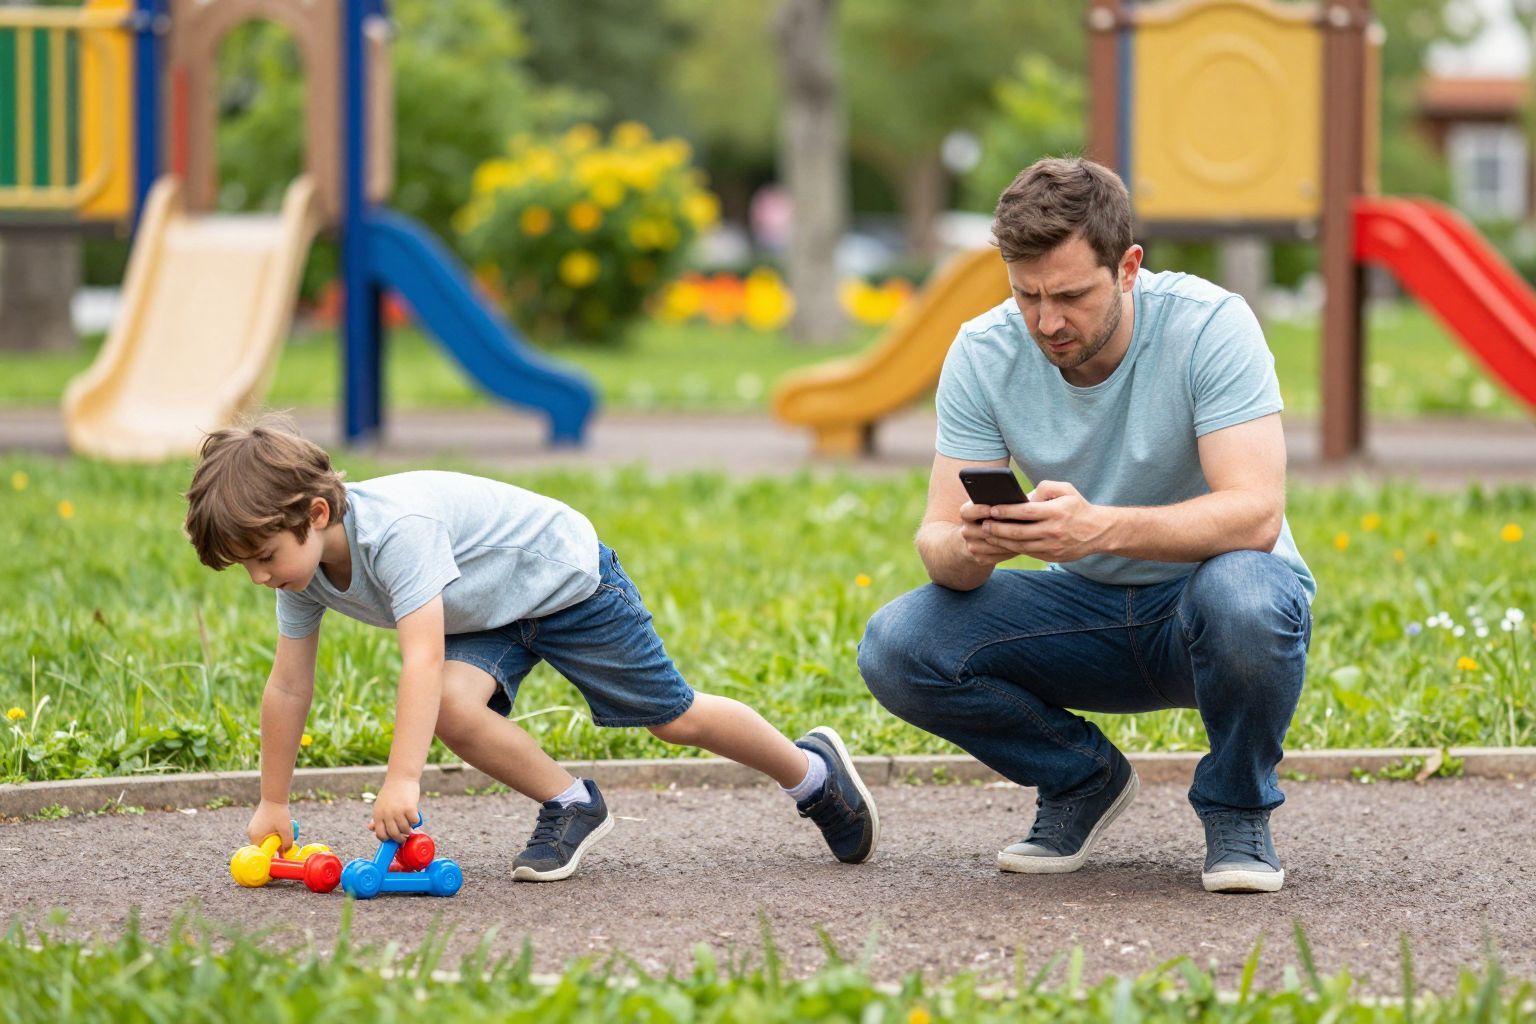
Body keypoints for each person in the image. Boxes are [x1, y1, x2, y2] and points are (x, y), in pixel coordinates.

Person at [857, 157, 1313, 894]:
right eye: (1027, 294)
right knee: (898, 643)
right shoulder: (984, 351)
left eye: (1070, 295)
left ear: (1128, 268)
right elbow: (937, 542)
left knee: (1248, 595)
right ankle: (1080, 778)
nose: (1048, 322)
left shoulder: (1210, 324)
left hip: (1208, 607)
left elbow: (1256, 514)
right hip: (1084, 615)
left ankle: (1238, 808)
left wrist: (1096, 529)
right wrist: (975, 546)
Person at [184, 416, 877, 881]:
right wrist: (273, 801)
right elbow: (288, 686)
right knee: (453, 708)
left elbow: (421, 658)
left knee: (675, 718)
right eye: (246, 566)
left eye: (265, 557)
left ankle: (813, 776)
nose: (260, 577)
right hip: (487, 609)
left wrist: (402, 779)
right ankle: (572, 803)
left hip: (565, 583)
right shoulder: (299, 572)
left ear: (316, 513)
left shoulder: (396, 533)